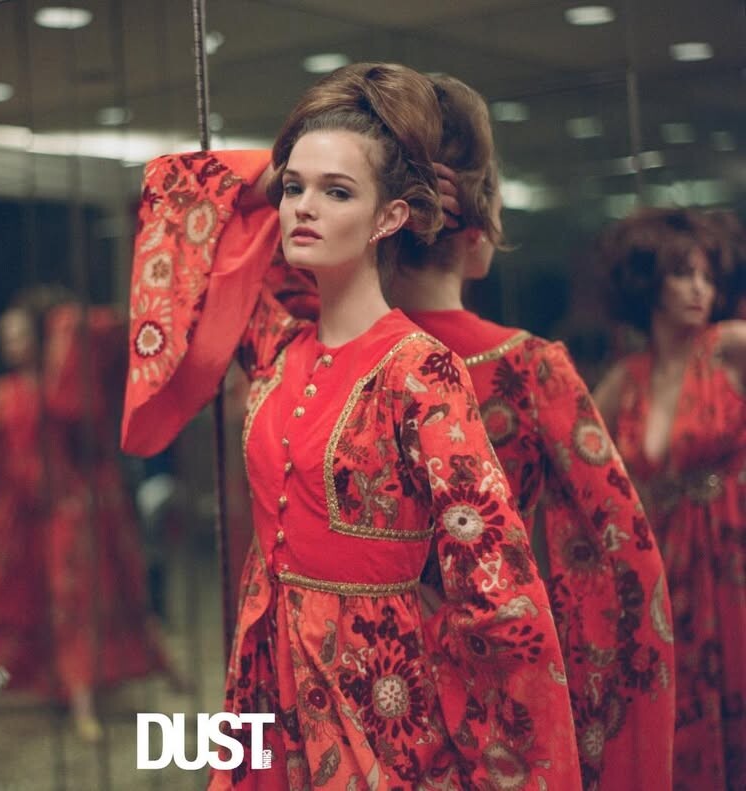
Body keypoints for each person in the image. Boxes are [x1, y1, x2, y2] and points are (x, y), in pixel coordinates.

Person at [122, 63, 582, 789]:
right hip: (265, 682)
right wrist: (272, 175)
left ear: (390, 217)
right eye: (294, 189)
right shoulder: (277, 348)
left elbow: (497, 583)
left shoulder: (419, 370)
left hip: (377, 693)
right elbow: (181, 203)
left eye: (337, 192)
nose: (303, 208)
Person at [380, 74, 674, 789]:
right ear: (477, 229)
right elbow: (626, 560)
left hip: (358, 672)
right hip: (494, 685)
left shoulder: (326, 356)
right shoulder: (528, 368)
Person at [0, 291, 169, 742]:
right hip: (18, 514)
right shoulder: (0, 394)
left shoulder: (64, 384)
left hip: (65, 512)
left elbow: (108, 329)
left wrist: (64, 327)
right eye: (5, 337)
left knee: (75, 602)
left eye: (19, 334)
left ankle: (84, 700)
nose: (11, 344)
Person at [593, 208, 746, 790]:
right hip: (663, 565)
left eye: (707, 276)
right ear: (650, 283)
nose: (700, 289)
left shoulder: (728, 347)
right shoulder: (627, 378)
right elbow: (577, 456)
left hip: (730, 561)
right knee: (677, 710)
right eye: (683, 274)